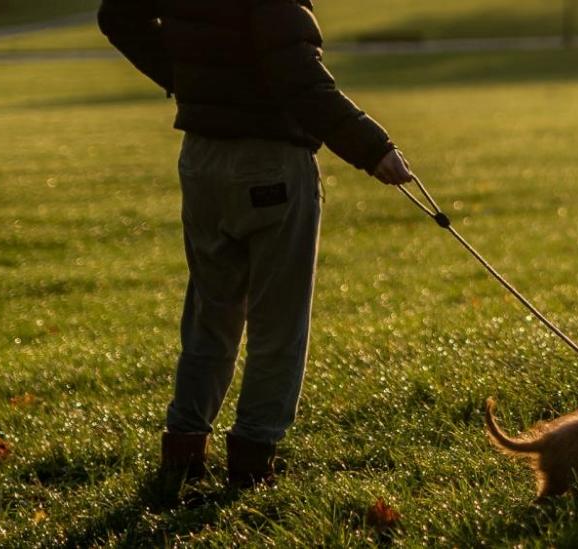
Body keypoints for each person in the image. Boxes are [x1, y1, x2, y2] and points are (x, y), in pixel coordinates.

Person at [98, 0, 412, 493]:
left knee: (211, 313)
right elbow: (299, 78)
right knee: (278, 323)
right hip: (270, 162)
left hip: (201, 160)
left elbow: (118, 14)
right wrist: (374, 149)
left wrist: (191, 82)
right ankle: (251, 461)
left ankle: (183, 451)